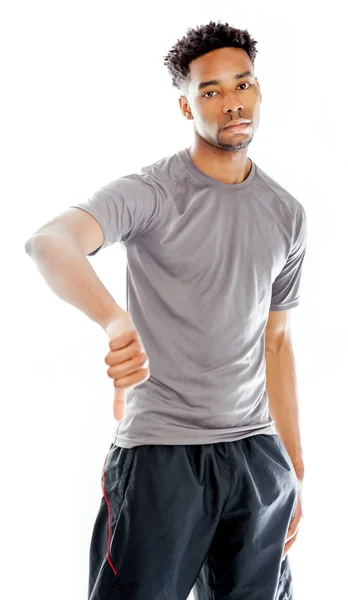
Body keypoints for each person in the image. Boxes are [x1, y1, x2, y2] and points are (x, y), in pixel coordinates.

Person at [25, 20, 307, 600]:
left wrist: (294, 470)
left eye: (242, 85)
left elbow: (276, 342)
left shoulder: (287, 213)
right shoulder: (152, 193)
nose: (231, 103)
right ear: (185, 107)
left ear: (258, 90)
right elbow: (50, 241)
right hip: (161, 455)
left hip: (256, 457)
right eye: (211, 92)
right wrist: (113, 318)